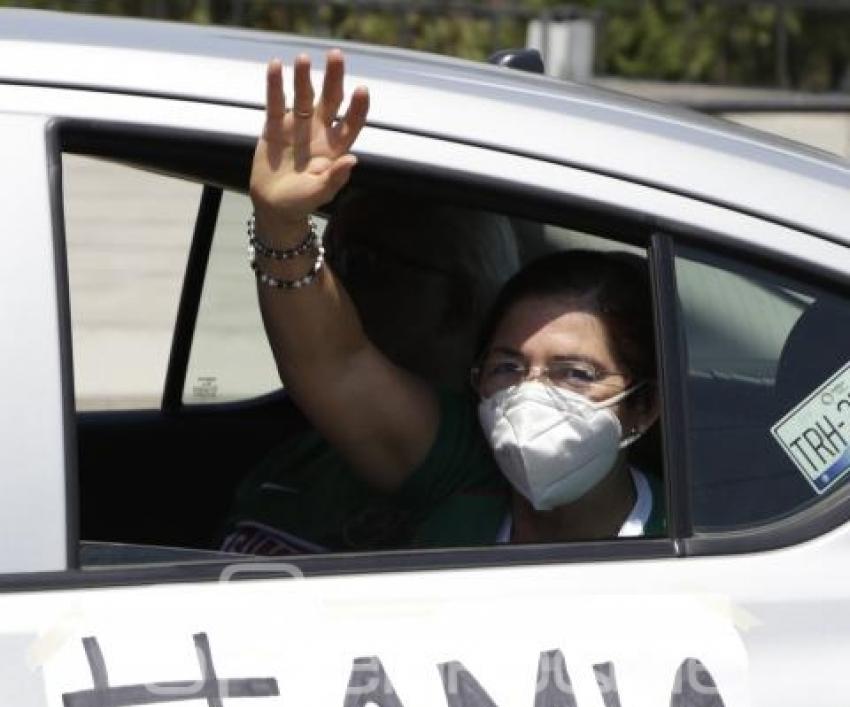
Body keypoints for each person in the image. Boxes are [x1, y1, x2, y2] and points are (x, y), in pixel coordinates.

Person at [223, 50, 663, 554]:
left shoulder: (701, 546)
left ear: (644, 405)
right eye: (507, 367)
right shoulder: (466, 474)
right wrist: (282, 224)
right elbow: (335, 366)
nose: (530, 396)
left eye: (575, 374)